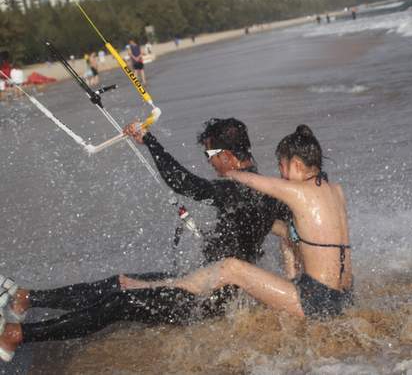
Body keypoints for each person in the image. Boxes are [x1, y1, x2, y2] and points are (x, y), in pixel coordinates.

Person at [0, 118, 291, 361]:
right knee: (119, 282)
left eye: (209, 155)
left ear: (227, 155)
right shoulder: (268, 191)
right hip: (206, 284)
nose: (210, 163)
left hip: (206, 300)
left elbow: (183, 182)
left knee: (119, 302)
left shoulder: (237, 189)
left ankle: (19, 335)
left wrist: (151, 141)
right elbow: (291, 234)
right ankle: (29, 297)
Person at [119, 125, 353, 319]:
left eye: (282, 166)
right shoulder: (336, 191)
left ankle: (155, 287)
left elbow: (257, 183)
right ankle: (292, 286)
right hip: (345, 296)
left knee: (231, 268)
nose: (281, 174)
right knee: (288, 234)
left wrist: (231, 176)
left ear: (298, 165)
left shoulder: (297, 192)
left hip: (317, 300)